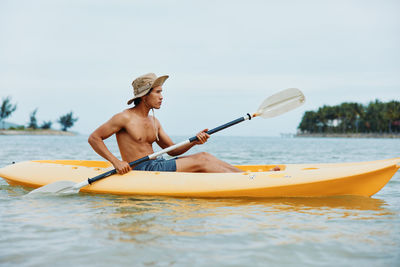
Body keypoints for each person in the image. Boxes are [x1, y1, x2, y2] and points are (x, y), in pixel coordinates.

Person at [88, 73, 244, 174]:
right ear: (144, 96)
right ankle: (245, 179)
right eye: (157, 92)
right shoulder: (124, 118)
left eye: (161, 92)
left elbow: (172, 151)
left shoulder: (154, 121)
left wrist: (194, 142)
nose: (162, 97)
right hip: (142, 169)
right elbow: (94, 138)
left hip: (158, 164)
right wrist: (116, 162)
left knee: (204, 155)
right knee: (202, 161)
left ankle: (246, 176)